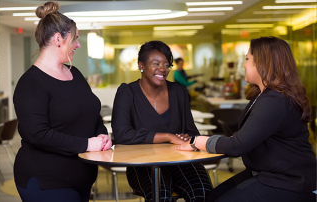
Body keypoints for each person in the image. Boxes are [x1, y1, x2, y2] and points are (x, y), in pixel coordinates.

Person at [176, 36, 316, 202]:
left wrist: (195, 141)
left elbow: (237, 147)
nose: (244, 65)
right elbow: (249, 133)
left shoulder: (275, 100)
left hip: (289, 180)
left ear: (263, 63)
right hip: (266, 172)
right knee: (210, 198)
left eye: (247, 59)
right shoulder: (263, 95)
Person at [13, 2, 112, 202]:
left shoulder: (74, 73)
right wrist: (86, 144)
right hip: (46, 182)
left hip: (82, 178)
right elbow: (38, 134)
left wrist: (102, 134)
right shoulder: (31, 83)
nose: (78, 44)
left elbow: (92, 113)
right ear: (58, 39)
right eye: (75, 38)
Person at [112, 41, 213, 202]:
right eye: (156, 63)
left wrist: (189, 139)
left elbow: (192, 132)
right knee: (161, 196)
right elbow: (121, 135)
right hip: (143, 163)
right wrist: (168, 136)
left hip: (181, 160)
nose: (162, 69)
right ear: (141, 65)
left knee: (203, 192)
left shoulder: (179, 92)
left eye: (167, 65)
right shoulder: (127, 93)